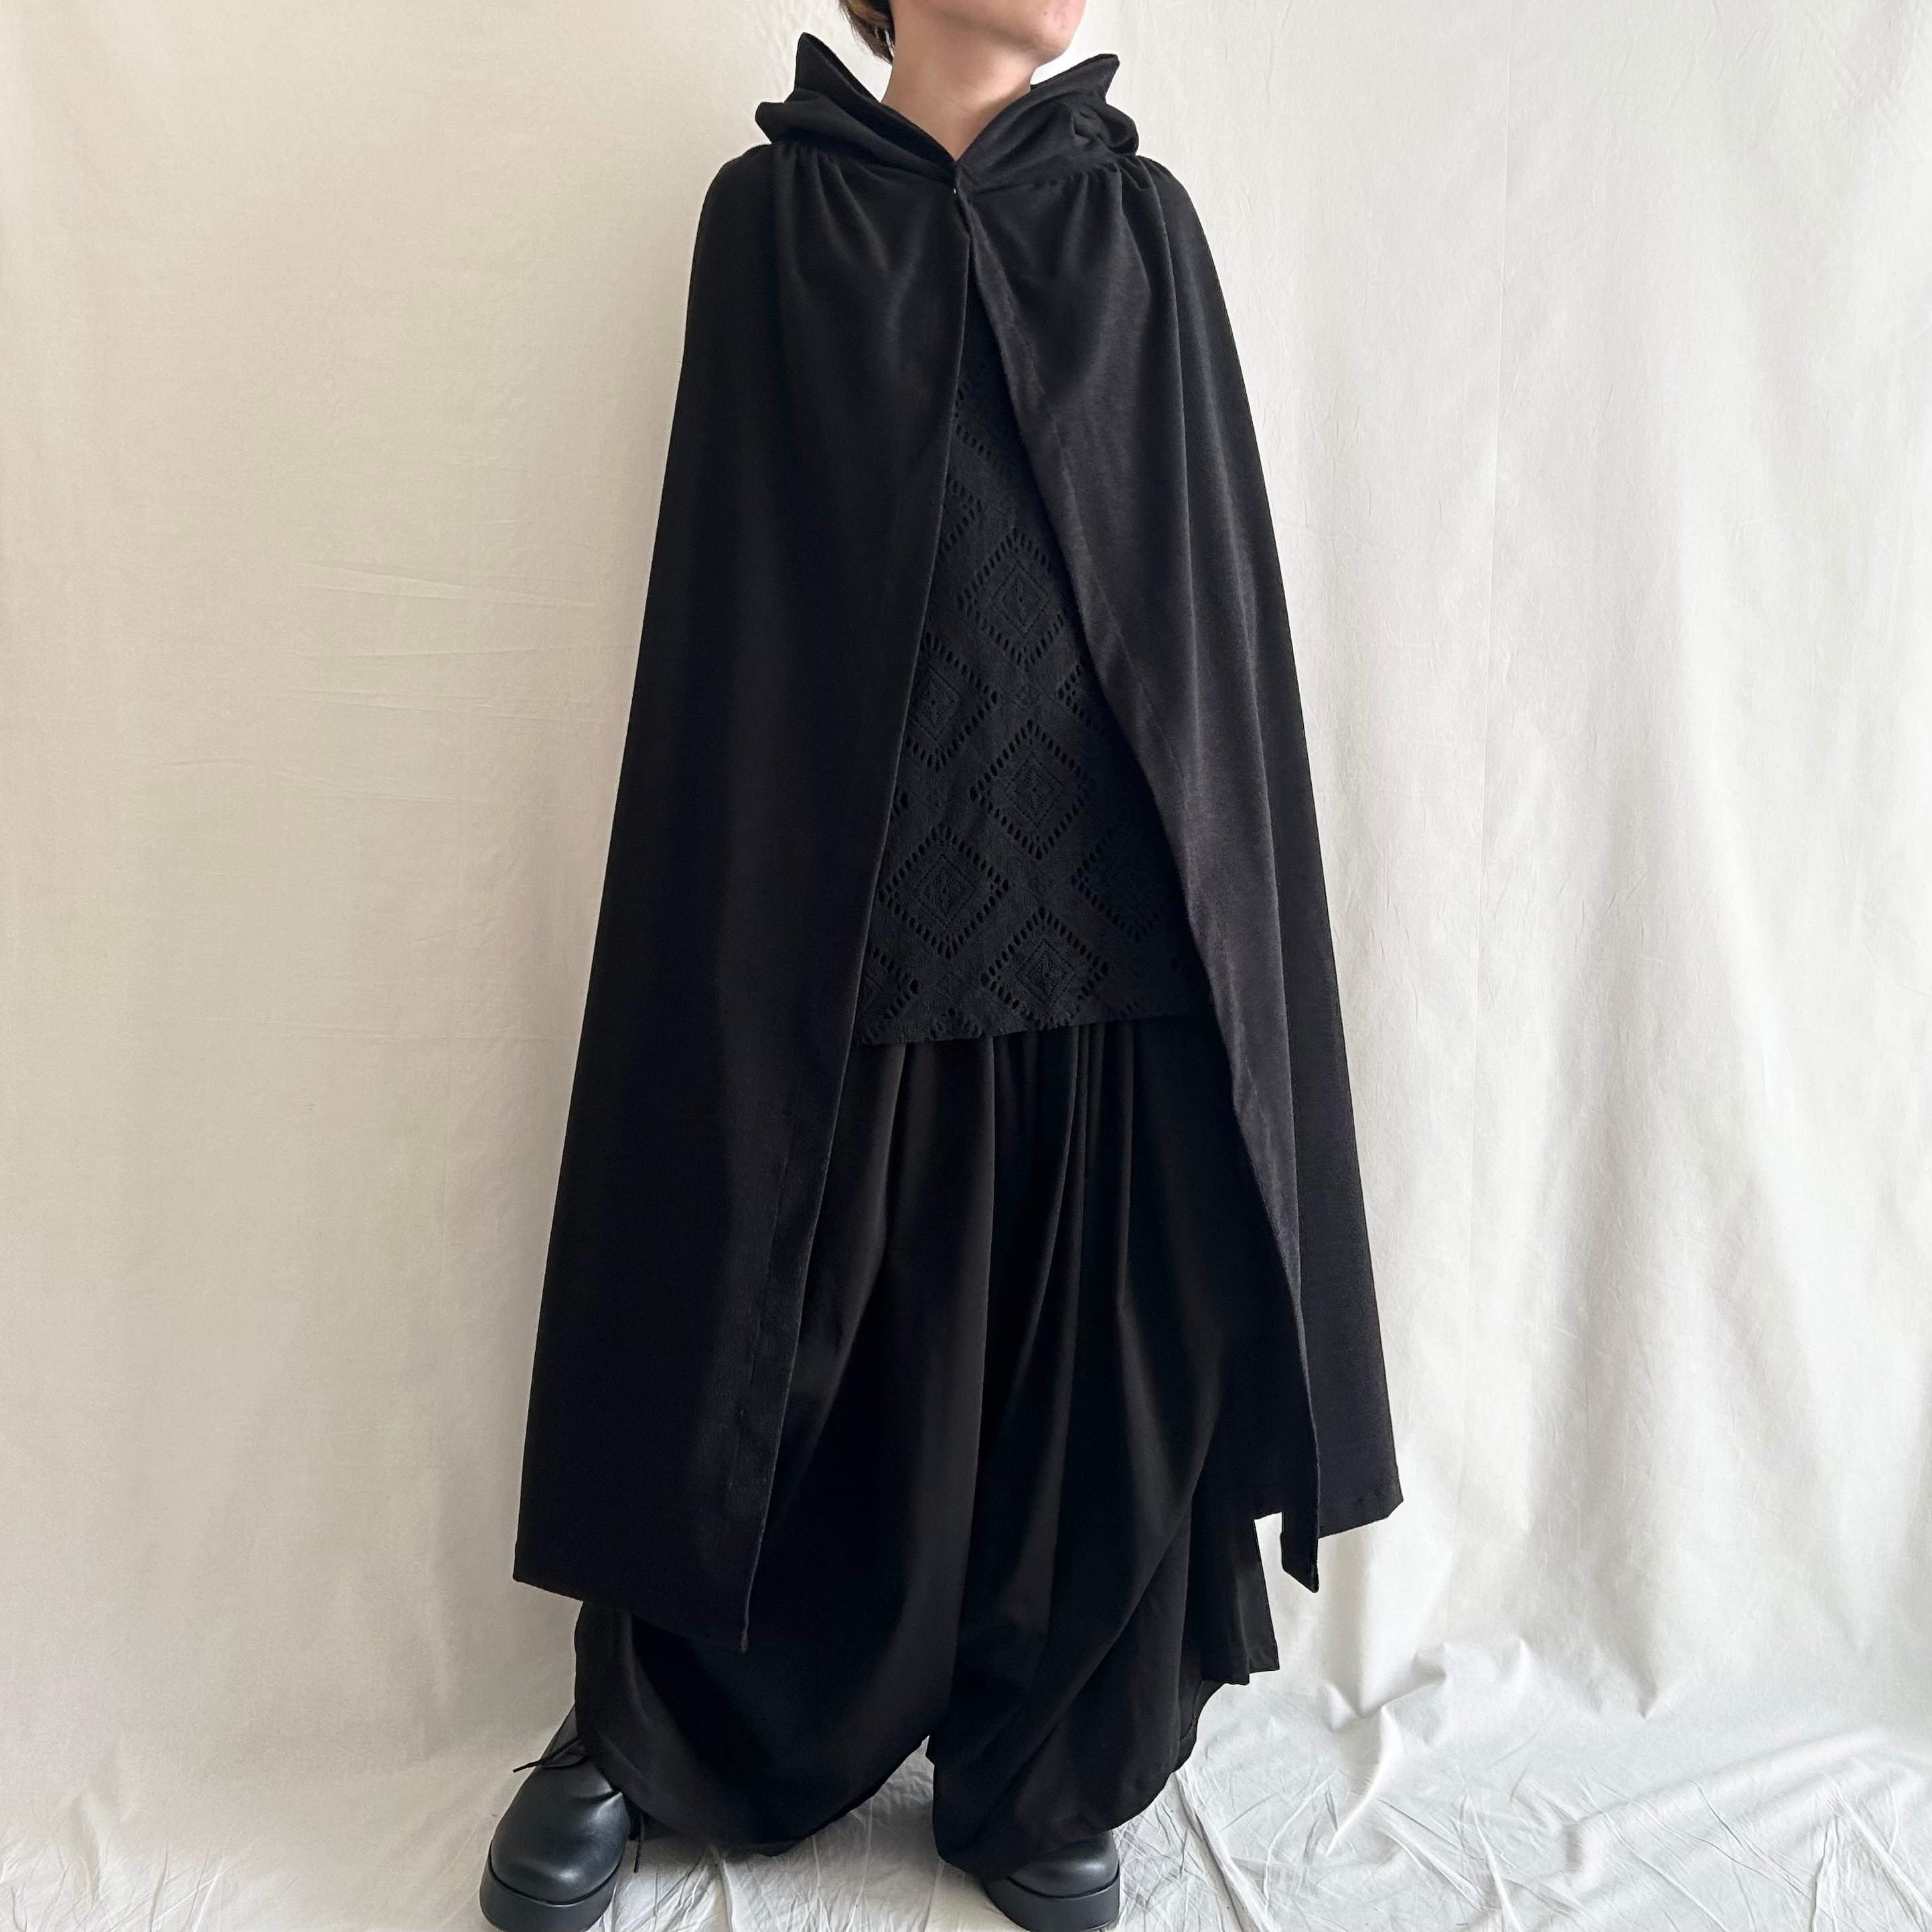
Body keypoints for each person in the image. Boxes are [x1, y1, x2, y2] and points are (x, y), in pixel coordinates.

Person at [479, 4, 1403, 1929]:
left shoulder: (1139, 225)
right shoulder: (771, 225)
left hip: (1112, 914)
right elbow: (733, 610)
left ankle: (1047, 1756)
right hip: (846, 908)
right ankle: (654, 1727)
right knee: (773, 1320)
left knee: (1097, 1360)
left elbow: (1202, 596)